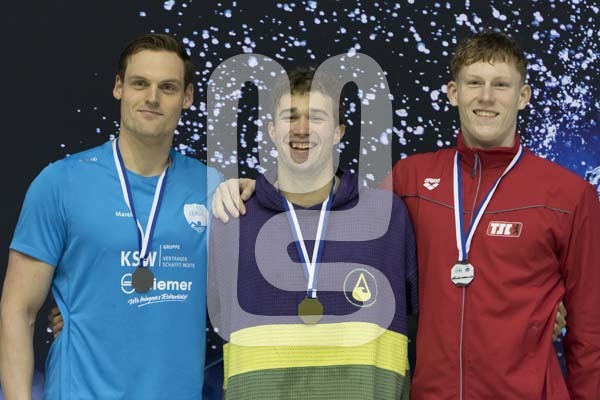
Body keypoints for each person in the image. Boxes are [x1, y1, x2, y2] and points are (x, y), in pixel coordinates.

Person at [211, 31, 598, 399]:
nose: (486, 96)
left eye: (501, 85)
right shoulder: (411, 179)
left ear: (523, 96)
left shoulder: (569, 195)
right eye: (474, 83)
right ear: (453, 93)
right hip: (432, 393)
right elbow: (331, 217)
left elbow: (590, 331)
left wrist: (542, 315)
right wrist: (254, 188)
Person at [0, 33, 221, 399]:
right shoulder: (61, 182)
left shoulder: (214, 188)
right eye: (140, 83)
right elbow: (18, 309)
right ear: (119, 87)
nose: (152, 97)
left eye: (167, 87)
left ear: (188, 97)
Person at [207, 66, 417, 399]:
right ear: (272, 130)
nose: (302, 129)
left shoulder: (387, 216)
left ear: (338, 132)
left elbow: (423, 323)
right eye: (290, 117)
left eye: (317, 117)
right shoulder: (233, 219)